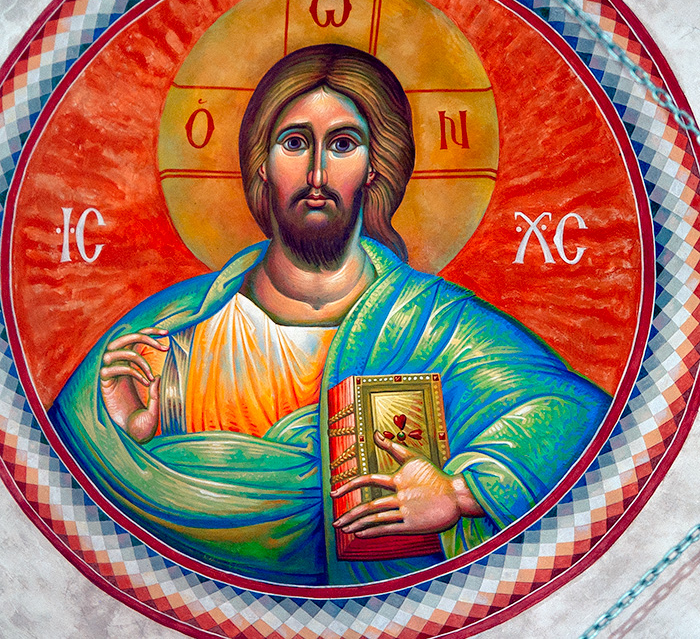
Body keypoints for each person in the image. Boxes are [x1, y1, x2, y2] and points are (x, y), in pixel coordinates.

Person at [50, 44, 611, 586]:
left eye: (342, 144)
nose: (316, 174)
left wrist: (461, 494)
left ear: (374, 167)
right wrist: (127, 440)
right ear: (262, 164)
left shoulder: (432, 323)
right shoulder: (174, 333)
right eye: (295, 143)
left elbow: (576, 418)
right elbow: (69, 479)